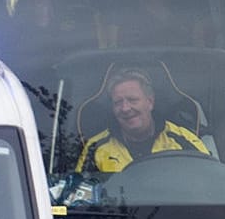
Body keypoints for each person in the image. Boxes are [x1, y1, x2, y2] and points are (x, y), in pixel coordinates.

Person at [76, 68, 209, 173]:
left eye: (132, 100)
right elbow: (79, 199)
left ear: (150, 102)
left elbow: (210, 183)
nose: (125, 108)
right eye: (118, 102)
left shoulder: (184, 141)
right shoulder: (96, 148)